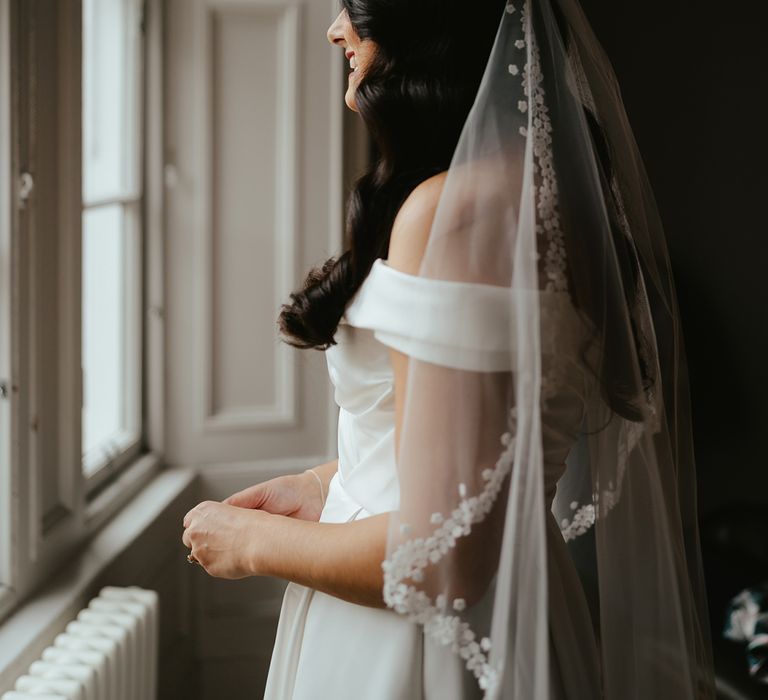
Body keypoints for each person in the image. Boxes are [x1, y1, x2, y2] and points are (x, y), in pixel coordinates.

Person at [182, 1, 717, 697]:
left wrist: (249, 544)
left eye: (352, 4)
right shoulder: (537, 189)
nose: (334, 27)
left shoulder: (457, 212)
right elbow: (481, 450)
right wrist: (322, 486)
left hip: (418, 654)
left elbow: (446, 559)